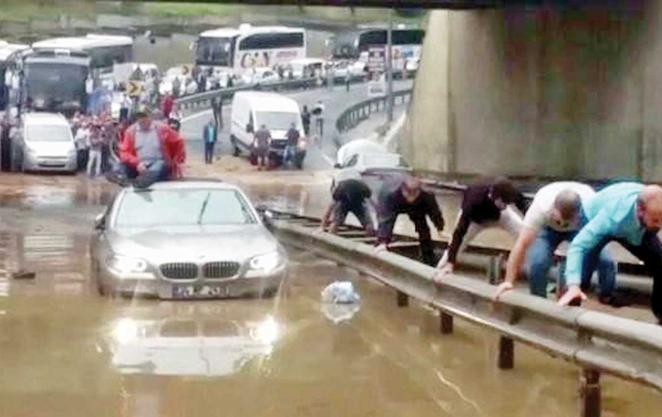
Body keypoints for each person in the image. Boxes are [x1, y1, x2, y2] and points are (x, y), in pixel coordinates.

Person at [494, 182, 619, 305]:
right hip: (548, 229)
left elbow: (602, 237)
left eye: (567, 222)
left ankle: (605, 295)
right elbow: (521, 245)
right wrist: (508, 281)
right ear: (553, 208)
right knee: (538, 262)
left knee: (605, 260)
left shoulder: (592, 206)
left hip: (579, 229)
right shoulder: (540, 207)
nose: (563, 225)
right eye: (560, 221)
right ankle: (539, 302)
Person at [558, 183, 662, 321]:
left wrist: (653, 221)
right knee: (581, 276)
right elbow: (578, 246)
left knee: (660, 262)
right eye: (656, 220)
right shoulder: (610, 218)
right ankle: (567, 312)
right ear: (640, 210)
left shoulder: (653, 206)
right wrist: (573, 285)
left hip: (634, 225)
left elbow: (653, 220)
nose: (660, 225)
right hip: (597, 217)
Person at [435, 178, 527, 279]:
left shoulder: (509, 193)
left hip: (499, 216)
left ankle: (529, 265)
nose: (505, 206)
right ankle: (441, 269)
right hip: (474, 220)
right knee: (456, 244)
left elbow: (524, 208)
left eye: (508, 203)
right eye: (503, 203)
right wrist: (450, 263)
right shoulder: (473, 202)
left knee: (524, 232)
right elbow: (459, 233)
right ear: (494, 197)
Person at [106, 108, 186, 188]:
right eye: (139, 117)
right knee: (120, 165)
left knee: (159, 165)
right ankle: (120, 176)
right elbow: (124, 153)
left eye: (144, 116)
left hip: (158, 162)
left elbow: (179, 141)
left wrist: (176, 161)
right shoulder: (131, 132)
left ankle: (145, 179)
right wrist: (137, 163)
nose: (141, 120)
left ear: (150, 117)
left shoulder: (162, 129)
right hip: (139, 164)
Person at [376, 177, 445, 266]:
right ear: (403, 189)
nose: (411, 198)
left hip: (417, 206)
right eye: (408, 194)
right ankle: (380, 247)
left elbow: (435, 213)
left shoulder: (427, 195)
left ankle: (429, 259)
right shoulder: (390, 194)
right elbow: (386, 219)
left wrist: (440, 228)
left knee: (423, 228)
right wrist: (383, 241)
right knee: (384, 226)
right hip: (395, 202)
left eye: (414, 194)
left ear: (419, 190)